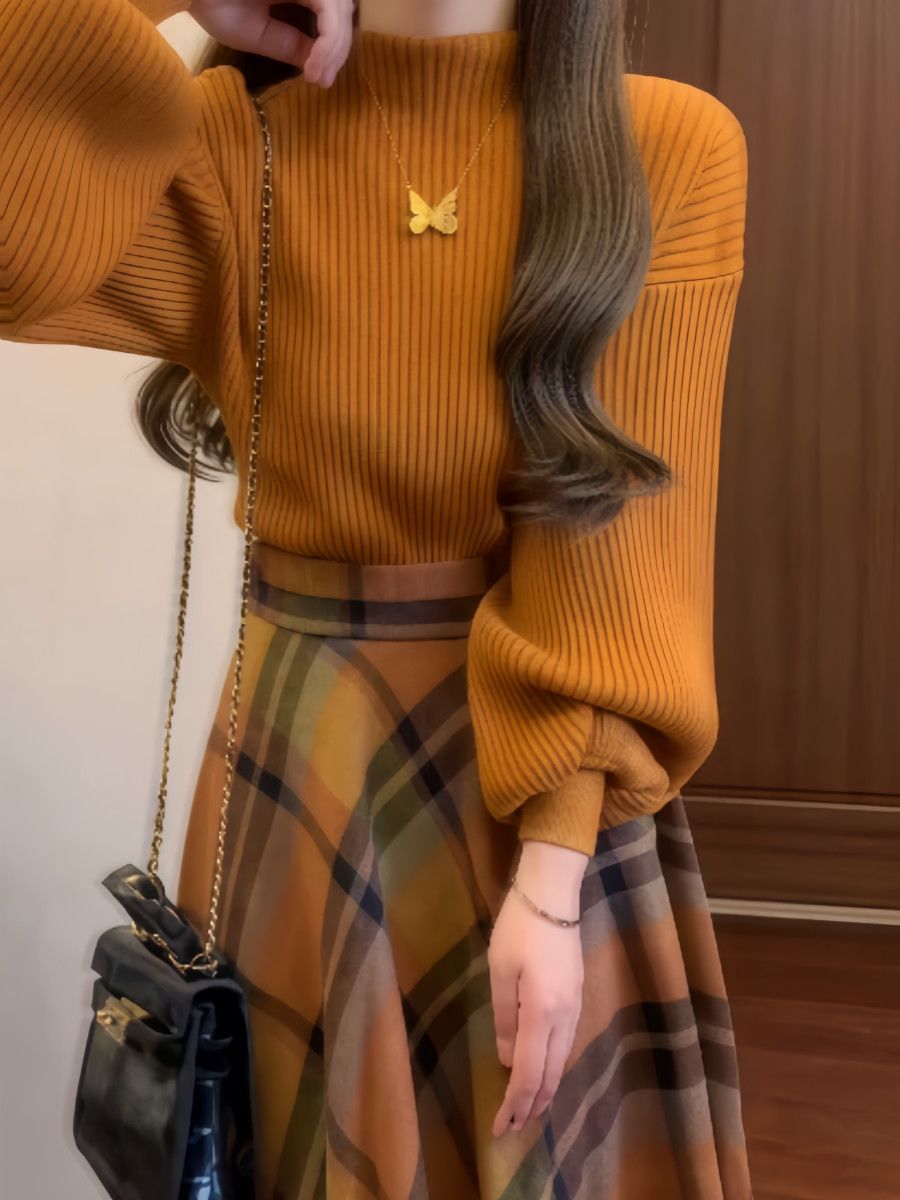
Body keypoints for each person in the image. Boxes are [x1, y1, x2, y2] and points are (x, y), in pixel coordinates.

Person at [0, 0, 753, 1195]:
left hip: (543, 792)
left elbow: (620, 540)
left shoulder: (664, 144)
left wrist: (554, 876)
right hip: (303, 752)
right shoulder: (229, 135)